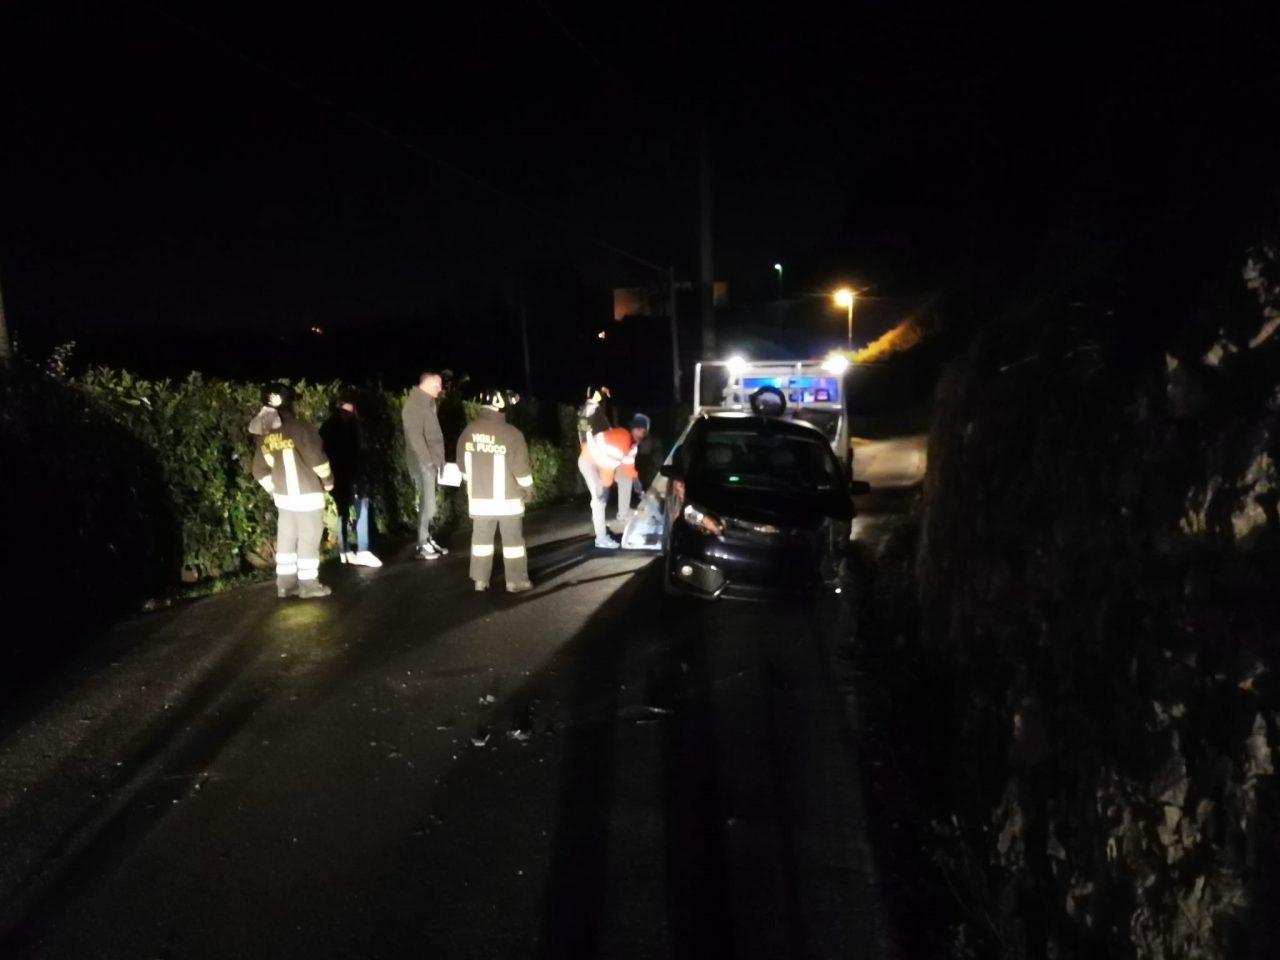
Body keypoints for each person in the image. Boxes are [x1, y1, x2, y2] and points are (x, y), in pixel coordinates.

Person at [251, 385, 334, 599]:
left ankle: (285, 585)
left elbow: (258, 470)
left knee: (286, 540)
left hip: (284, 500)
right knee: (308, 539)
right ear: (290, 404)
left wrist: (274, 489)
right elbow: (316, 458)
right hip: (307, 496)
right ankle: (309, 585)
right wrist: (328, 480)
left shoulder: (265, 434)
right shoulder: (300, 427)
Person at [457, 389, 534, 593]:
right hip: (508, 501)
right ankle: (515, 581)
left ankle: (480, 580)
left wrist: (473, 484)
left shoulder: (469, 431)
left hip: (480, 500)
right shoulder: (512, 433)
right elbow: (520, 467)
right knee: (513, 542)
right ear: (501, 404)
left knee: (481, 540)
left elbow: (462, 465)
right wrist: (528, 487)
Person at [320, 395, 382, 568]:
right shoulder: (352, 425)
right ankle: (363, 550)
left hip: (337, 474)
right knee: (361, 507)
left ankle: (344, 550)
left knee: (343, 512)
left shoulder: (327, 427)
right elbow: (358, 450)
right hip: (352, 473)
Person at [402, 371, 450, 560]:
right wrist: (428, 461)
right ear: (427, 383)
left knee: (429, 503)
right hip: (423, 463)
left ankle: (427, 539)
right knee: (427, 505)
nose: (440, 389)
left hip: (431, 462)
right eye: (437, 385)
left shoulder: (428, 404)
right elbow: (415, 437)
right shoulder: (414, 406)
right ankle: (422, 545)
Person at [614, 412, 651, 529]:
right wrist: (635, 480)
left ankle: (624, 511)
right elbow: (626, 464)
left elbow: (629, 464)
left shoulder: (632, 442)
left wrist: (635, 479)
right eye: (640, 431)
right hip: (597, 461)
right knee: (625, 479)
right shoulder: (626, 438)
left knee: (627, 479)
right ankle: (622, 516)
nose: (642, 435)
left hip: (611, 463)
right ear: (634, 429)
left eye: (644, 433)